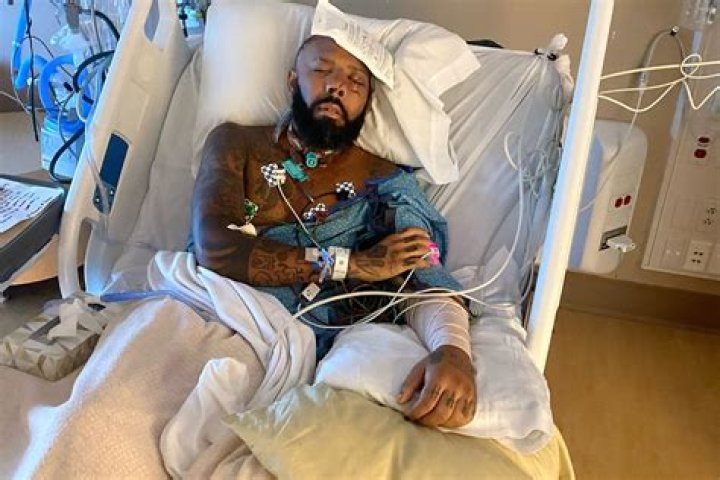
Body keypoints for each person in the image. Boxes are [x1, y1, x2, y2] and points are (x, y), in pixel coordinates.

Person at [191, 35, 476, 429]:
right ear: (293, 81)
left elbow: (422, 272)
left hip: (291, 347)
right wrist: (352, 264)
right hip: (209, 312)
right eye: (322, 69)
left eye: (356, 82)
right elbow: (215, 249)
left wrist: (454, 351)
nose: (338, 85)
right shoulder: (236, 143)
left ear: (368, 104)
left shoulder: (386, 182)